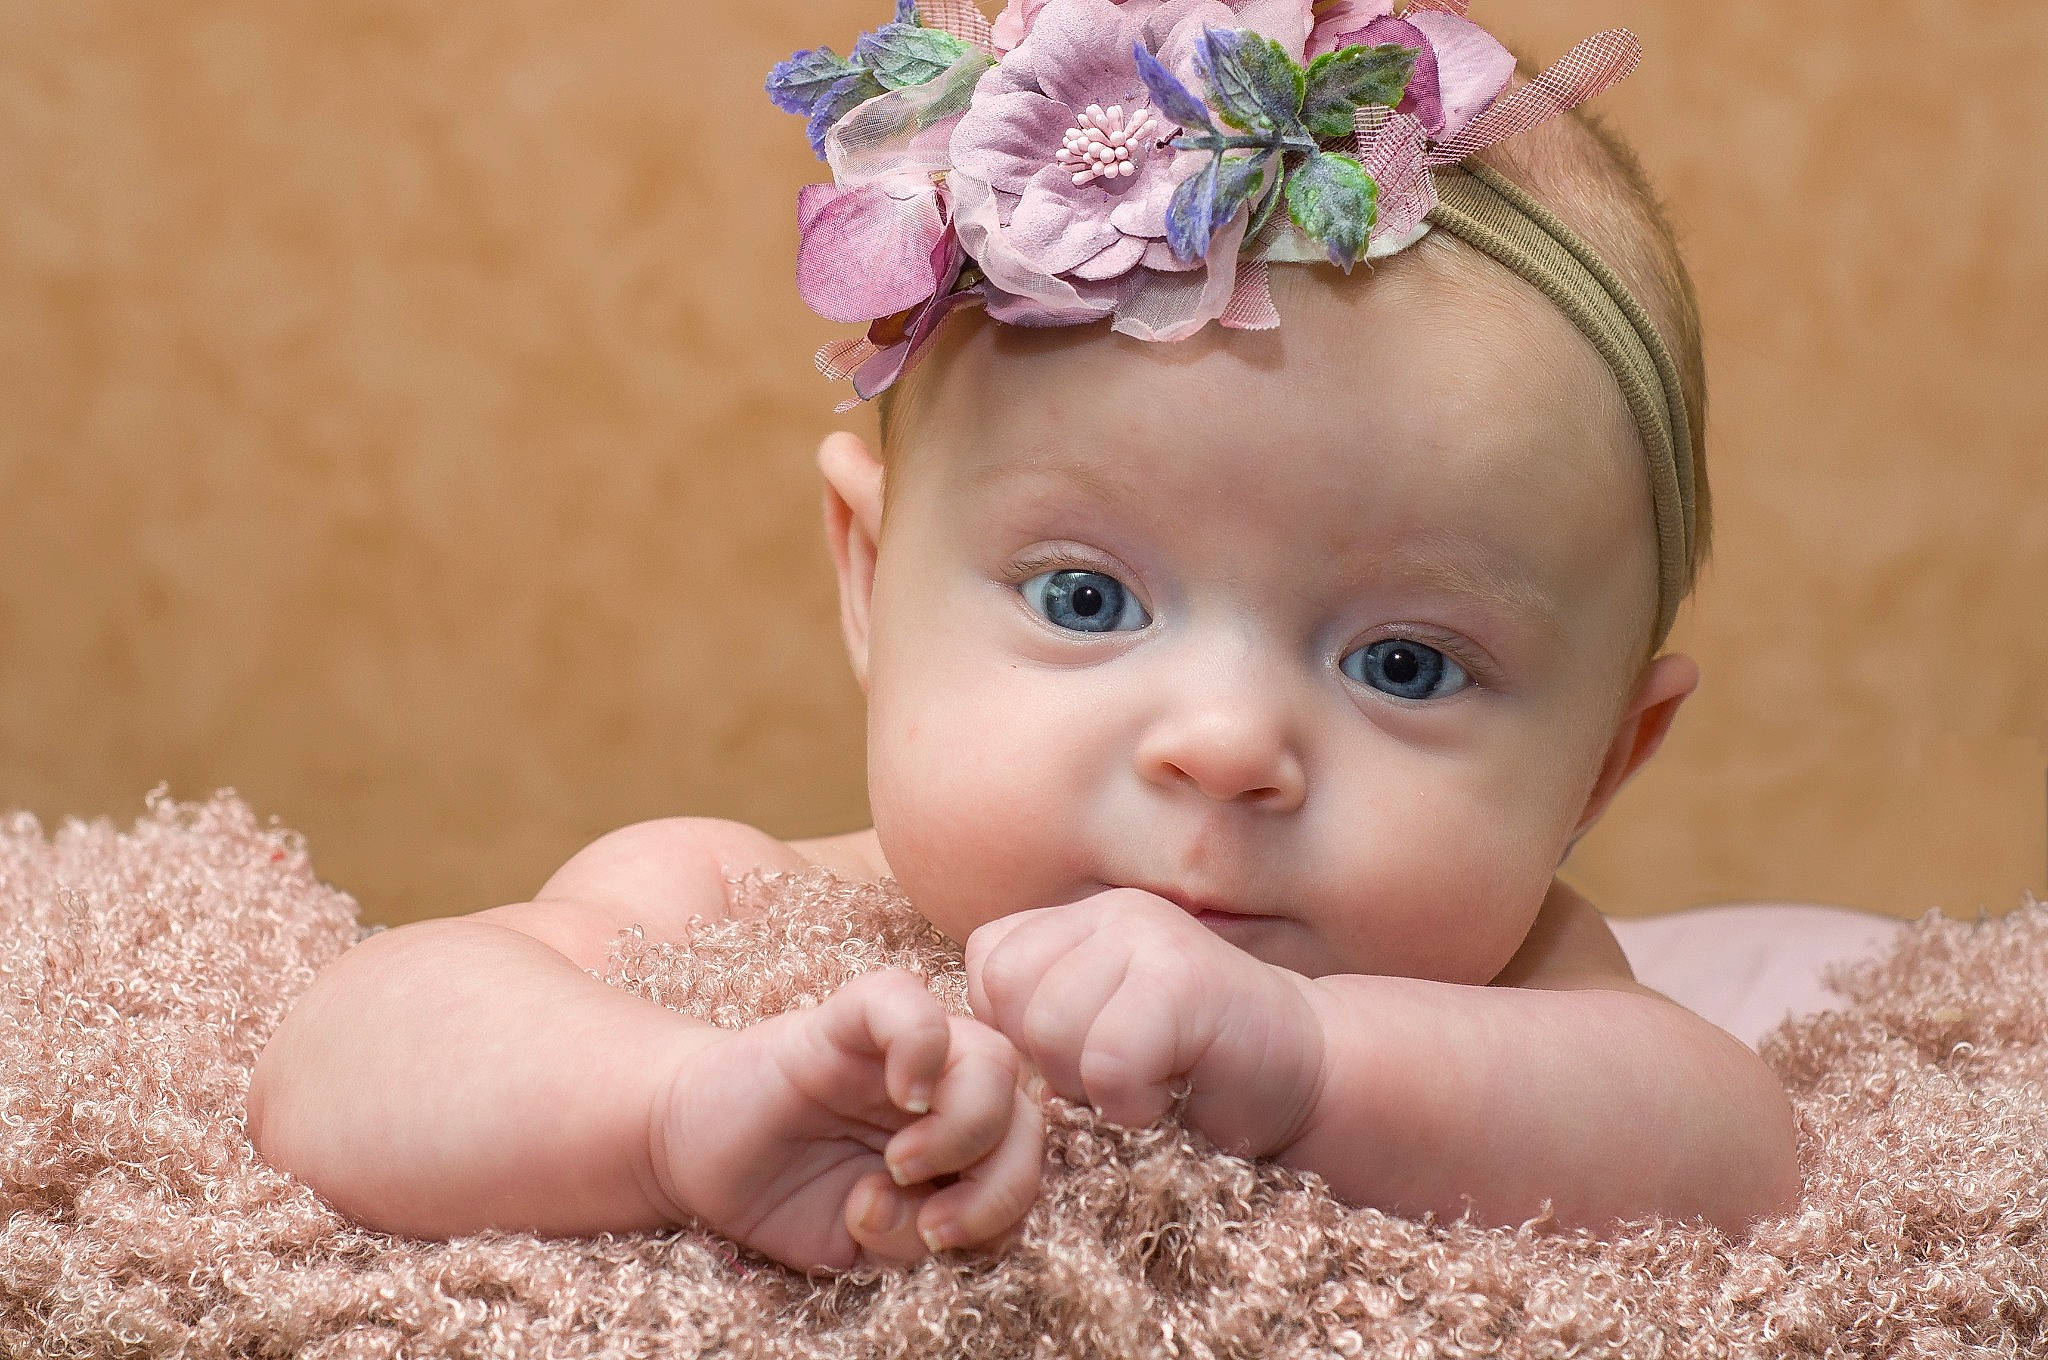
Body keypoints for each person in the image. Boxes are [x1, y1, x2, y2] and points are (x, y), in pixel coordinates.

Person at [245, 0, 1801, 1276]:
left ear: (1605, 761)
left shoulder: (1517, 993)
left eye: (1406, 664)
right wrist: (668, 1108)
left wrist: (1309, 1066)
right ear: (870, 577)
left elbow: (1745, 1156)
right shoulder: (733, 908)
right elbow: (345, 1052)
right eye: (1086, 600)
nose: (1224, 744)